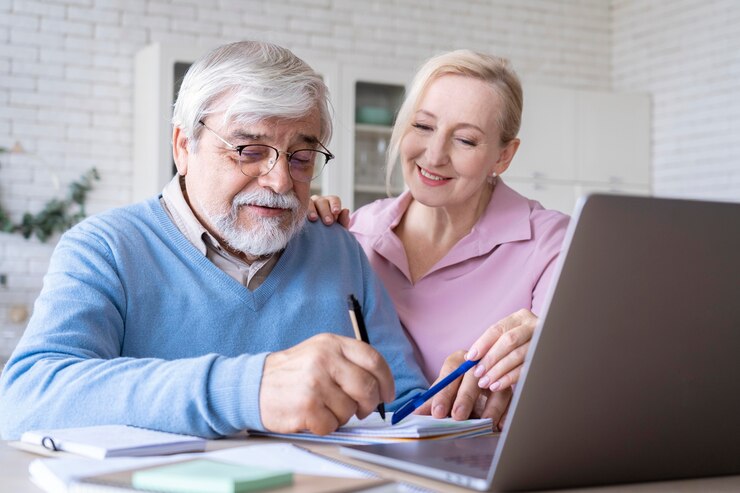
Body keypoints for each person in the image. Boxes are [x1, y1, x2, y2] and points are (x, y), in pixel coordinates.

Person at [0, 41, 427, 440]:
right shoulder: (106, 248)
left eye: (300, 157)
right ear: (184, 146)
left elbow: (403, 403)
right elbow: (27, 401)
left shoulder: (337, 249)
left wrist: (462, 399)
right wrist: (247, 389)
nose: (280, 181)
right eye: (249, 150)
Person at [310, 50, 569, 428]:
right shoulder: (356, 234)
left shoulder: (551, 244)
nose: (434, 155)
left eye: (465, 140)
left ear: (503, 156)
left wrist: (553, 354)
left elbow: (583, 384)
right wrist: (301, 234)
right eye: (423, 126)